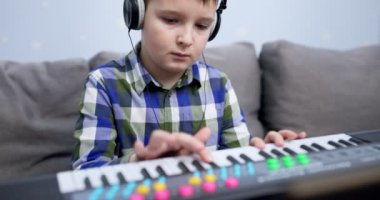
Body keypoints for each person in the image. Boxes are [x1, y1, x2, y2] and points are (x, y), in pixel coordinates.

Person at [72, 0, 306, 169]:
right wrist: (138, 163)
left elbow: (239, 156)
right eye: (171, 20)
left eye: (202, 26)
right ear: (138, 14)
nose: (187, 39)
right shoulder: (103, 83)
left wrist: (263, 151)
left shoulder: (219, 84)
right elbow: (86, 169)